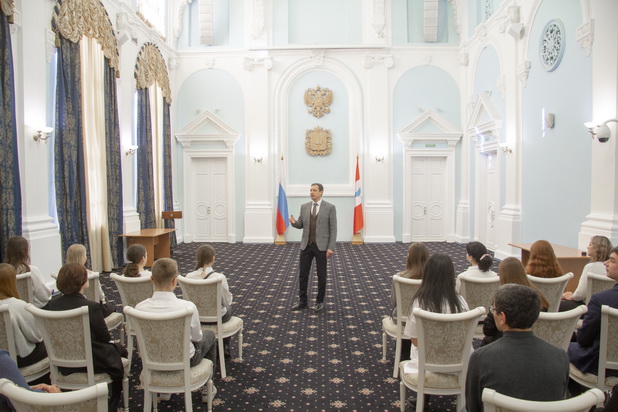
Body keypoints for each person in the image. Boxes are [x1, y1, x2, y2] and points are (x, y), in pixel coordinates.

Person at [466, 284, 569, 412]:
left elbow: (472, 407)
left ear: (502, 317)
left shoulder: (481, 358)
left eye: (493, 309)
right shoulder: (560, 356)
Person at [43, 263, 127, 412]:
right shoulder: (91, 307)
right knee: (119, 351)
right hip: (91, 361)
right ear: (83, 282)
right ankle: (114, 400)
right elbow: (104, 337)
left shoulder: (50, 306)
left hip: (61, 359)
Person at [136, 258, 218, 403]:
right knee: (210, 335)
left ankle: (164, 392)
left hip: (152, 357)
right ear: (175, 281)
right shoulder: (187, 307)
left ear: (151, 279)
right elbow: (197, 337)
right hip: (186, 358)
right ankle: (207, 389)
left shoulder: (139, 308)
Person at [402, 254, 469, 373]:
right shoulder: (461, 303)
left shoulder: (419, 304)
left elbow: (415, 341)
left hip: (427, 363)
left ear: (427, 274)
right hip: (458, 361)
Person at [568, 245, 618, 386]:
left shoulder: (600, 300)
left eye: (612, 260)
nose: (605, 263)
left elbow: (584, 339)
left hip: (601, 366)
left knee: (561, 348)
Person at [289, 183, 337, 312]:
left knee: (321, 275)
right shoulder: (304, 207)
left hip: (321, 246)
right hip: (306, 246)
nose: (312, 192)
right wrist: (294, 223)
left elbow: (333, 229)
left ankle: (319, 301)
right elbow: (301, 224)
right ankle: (302, 301)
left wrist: (331, 247)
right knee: (303, 274)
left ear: (321, 192)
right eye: (310, 190)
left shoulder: (330, 207)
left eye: (314, 190)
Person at [480, 257, 550, 346]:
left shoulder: (502, 300)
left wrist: (492, 310)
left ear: (503, 276)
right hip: (535, 345)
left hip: (504, 346)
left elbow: (488, 330)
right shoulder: (537, 296)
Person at [186, 244, 233, 358]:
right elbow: (227, 300)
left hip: (195, 316)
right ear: (213, 259)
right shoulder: (219, 277)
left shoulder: (188, 276)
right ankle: (224, 343)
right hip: (217, 316)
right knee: (229, 309)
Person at [0, 263, 47, 368]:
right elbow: (37, 335)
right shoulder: (18, 306)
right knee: (50, 342)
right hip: (19, 359)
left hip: (2, 359)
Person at [561, 236, 613, 311]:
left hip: (586, 307)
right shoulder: (612, 269)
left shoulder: (590, 267)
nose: (587, 247)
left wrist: (569, 296)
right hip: (606, 308)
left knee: (553, 305)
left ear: (597, 249)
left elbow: (579, 295)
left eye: (590, 244)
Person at [65, 244, 114, 317]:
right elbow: (100, 295)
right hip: (92, 308)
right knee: (112, 307)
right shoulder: (91, 275)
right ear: (82, 258)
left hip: (69, 307)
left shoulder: (63, 274)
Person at [4, 236, 51, 308]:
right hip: (34, 312)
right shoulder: (32, 271)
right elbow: (44, 296)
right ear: (26, 251)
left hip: (11, 312)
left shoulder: (3, 272)